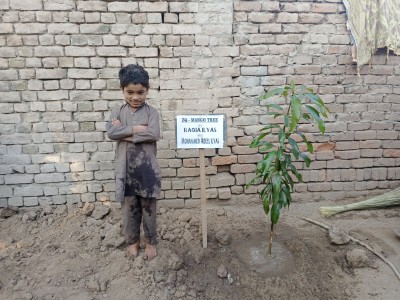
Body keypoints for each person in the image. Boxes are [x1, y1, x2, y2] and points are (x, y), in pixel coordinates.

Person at [106, 64, 161, 260]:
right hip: (125, 171)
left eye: (140, 92)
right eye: (130, 92)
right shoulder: (117, 112)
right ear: (122, 90)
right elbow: (111, 132)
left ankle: (151, 242)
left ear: (147, 91)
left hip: (147, 171)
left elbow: (154, 133)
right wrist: (139, 129)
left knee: (149, 209)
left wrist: (125, 131)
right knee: (129, 211)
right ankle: (133, 242)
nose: (135, 97)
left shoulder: (152, 113)